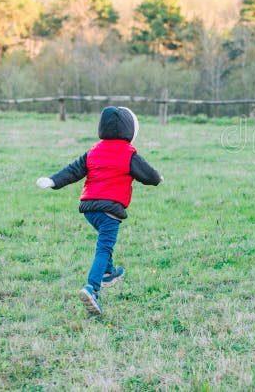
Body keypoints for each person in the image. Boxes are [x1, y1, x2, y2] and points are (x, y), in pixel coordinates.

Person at [36, 106, 162, 315]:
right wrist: (158, 178)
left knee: (105, 241)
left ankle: (109, 273)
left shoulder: (94, 150)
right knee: (104, 248)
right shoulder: (128, 154)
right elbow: (148, 175)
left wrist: (52, 181)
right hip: (110, 209)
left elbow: (73, 170)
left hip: (89, 209)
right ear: (130, 130)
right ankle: (92, 288)